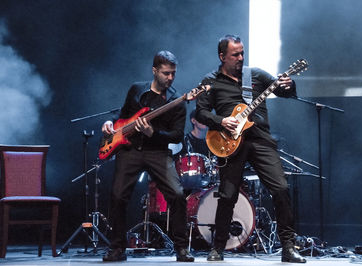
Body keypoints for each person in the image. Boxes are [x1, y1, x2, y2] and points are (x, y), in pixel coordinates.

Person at [195, 35, 306, 263]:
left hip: (260, 139)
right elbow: (201, 112)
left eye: (242, 53)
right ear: (222, 56)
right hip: (229, 142)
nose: (240, 57)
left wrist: (289, 84)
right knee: (227, 196)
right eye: (235, 54)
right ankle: (218, 248)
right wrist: (221, 121)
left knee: (281, 188)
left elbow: (284, 91)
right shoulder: (210, 80)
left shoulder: (255, 74)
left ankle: (288, 246)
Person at [101, 51, 194, 262]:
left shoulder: (177, 101)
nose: (170, 78)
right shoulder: (136, 89)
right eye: (166, 73)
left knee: (177, 195)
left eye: (173, 74)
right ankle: (117, 248)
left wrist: (154, 133)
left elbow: (177, 134)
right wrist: (110, 122)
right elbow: (123, 115)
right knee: (117, 196)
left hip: (157, 151)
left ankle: (181, 248)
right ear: (154, 71)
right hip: (130, 149)